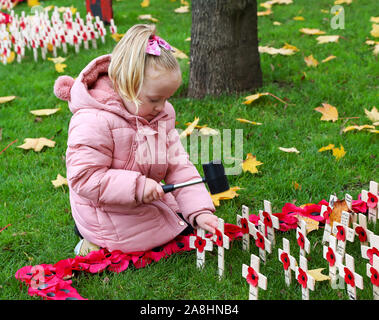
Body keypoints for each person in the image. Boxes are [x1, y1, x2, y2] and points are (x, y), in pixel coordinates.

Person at [54, 24, 219, 256]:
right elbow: (85, 178)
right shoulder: (93, 120)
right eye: (154, 99)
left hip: (142, 198)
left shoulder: (160, 114)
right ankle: (91, 240)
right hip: (106, 208)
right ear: (125, 86)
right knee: (148, 239)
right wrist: (137, 186)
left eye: (167, 98)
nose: (163, 107)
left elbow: (178, 166)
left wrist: (200, 211)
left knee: (184, 223)